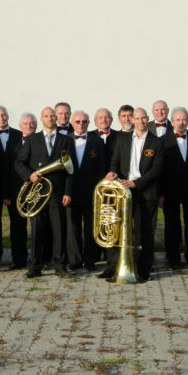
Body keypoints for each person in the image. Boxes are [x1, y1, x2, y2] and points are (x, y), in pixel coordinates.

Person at [102, 107, 163, 281]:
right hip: (124, 191)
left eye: (144, 118)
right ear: (133, 120)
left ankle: (144, 268)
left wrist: (136, 183)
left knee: (145, 232)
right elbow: (115, 161)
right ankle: (115, 266)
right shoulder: (122, 139)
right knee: (119, 229)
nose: (141, 121)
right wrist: (112, 172)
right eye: (137, 118)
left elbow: (157, 170)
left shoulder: (157, 142)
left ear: (147, 119)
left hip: (146, 192)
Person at [15, 106, 75, 278]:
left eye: (52, 116)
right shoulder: (32, 139)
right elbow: (19, 163)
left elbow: (71, 169)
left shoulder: (66, 140)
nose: (50, 118)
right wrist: (29, 175)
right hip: (38, 193)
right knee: (36, 231)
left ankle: (60, 265)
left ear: (56, 118)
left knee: (59, 230)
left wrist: (68, 192)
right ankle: (35, 266)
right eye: (46, 116)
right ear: (41, 119)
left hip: (57, 193)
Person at [160, 107, 188, 271]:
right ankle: (173, 259)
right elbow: (160, 170)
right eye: (178, 120)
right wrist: (161, 193)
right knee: (172, 227)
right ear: (172, 122)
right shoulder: (163, 141)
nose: (181, 123)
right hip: (170, 191)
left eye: (184, 119)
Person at [0, 106, 26, 269]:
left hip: (14, 186)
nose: (1, 118)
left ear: (8, 116)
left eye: (3, 115)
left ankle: (19, 258)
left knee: (17, 223)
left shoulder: (19, 134)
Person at [66, 111, 106, 271]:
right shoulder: (65, 140)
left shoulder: (97, 141)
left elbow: (102, 167)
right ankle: (75, 260)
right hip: (71, 192)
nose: (81, 124)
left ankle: (90, 260)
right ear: (72, 123)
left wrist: (101, 190)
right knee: (72, 228)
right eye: (77, 121)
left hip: (92, 192)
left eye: (84, 121)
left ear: (89, 123)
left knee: (91, 227)